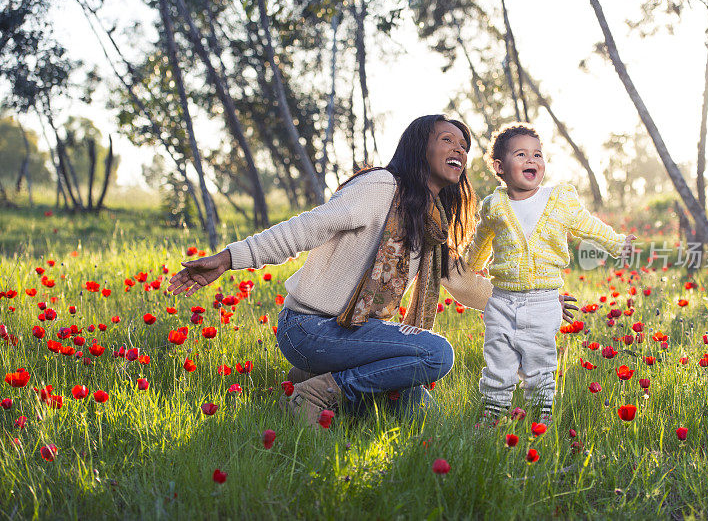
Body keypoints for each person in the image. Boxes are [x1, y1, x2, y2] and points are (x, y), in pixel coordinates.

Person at [168, 114, 578, 427]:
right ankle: (320, 392)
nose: (459, 149)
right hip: (310, 327)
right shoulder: (381, 187)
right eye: (446, 139)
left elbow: (465, 284)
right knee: (435, 352)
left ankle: (310, 378)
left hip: (353, 334)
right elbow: (306, 228)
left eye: (464, 144)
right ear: (420, 148)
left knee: (421, 415)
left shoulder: (431, 216)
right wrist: (228, 258)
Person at [466, 122, 634, 425]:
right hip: (501, 301)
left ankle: (539, 422)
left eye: (537, 154)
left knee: (540, 367)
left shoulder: (558, 201)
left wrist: (617, 243)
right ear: (499, 167)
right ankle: (493, 420)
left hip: (543, 303)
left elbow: (588, 224)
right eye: (521, 154)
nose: (532, 160)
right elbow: (481, 241)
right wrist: (469, 264)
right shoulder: (494, 206)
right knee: (497, 365)